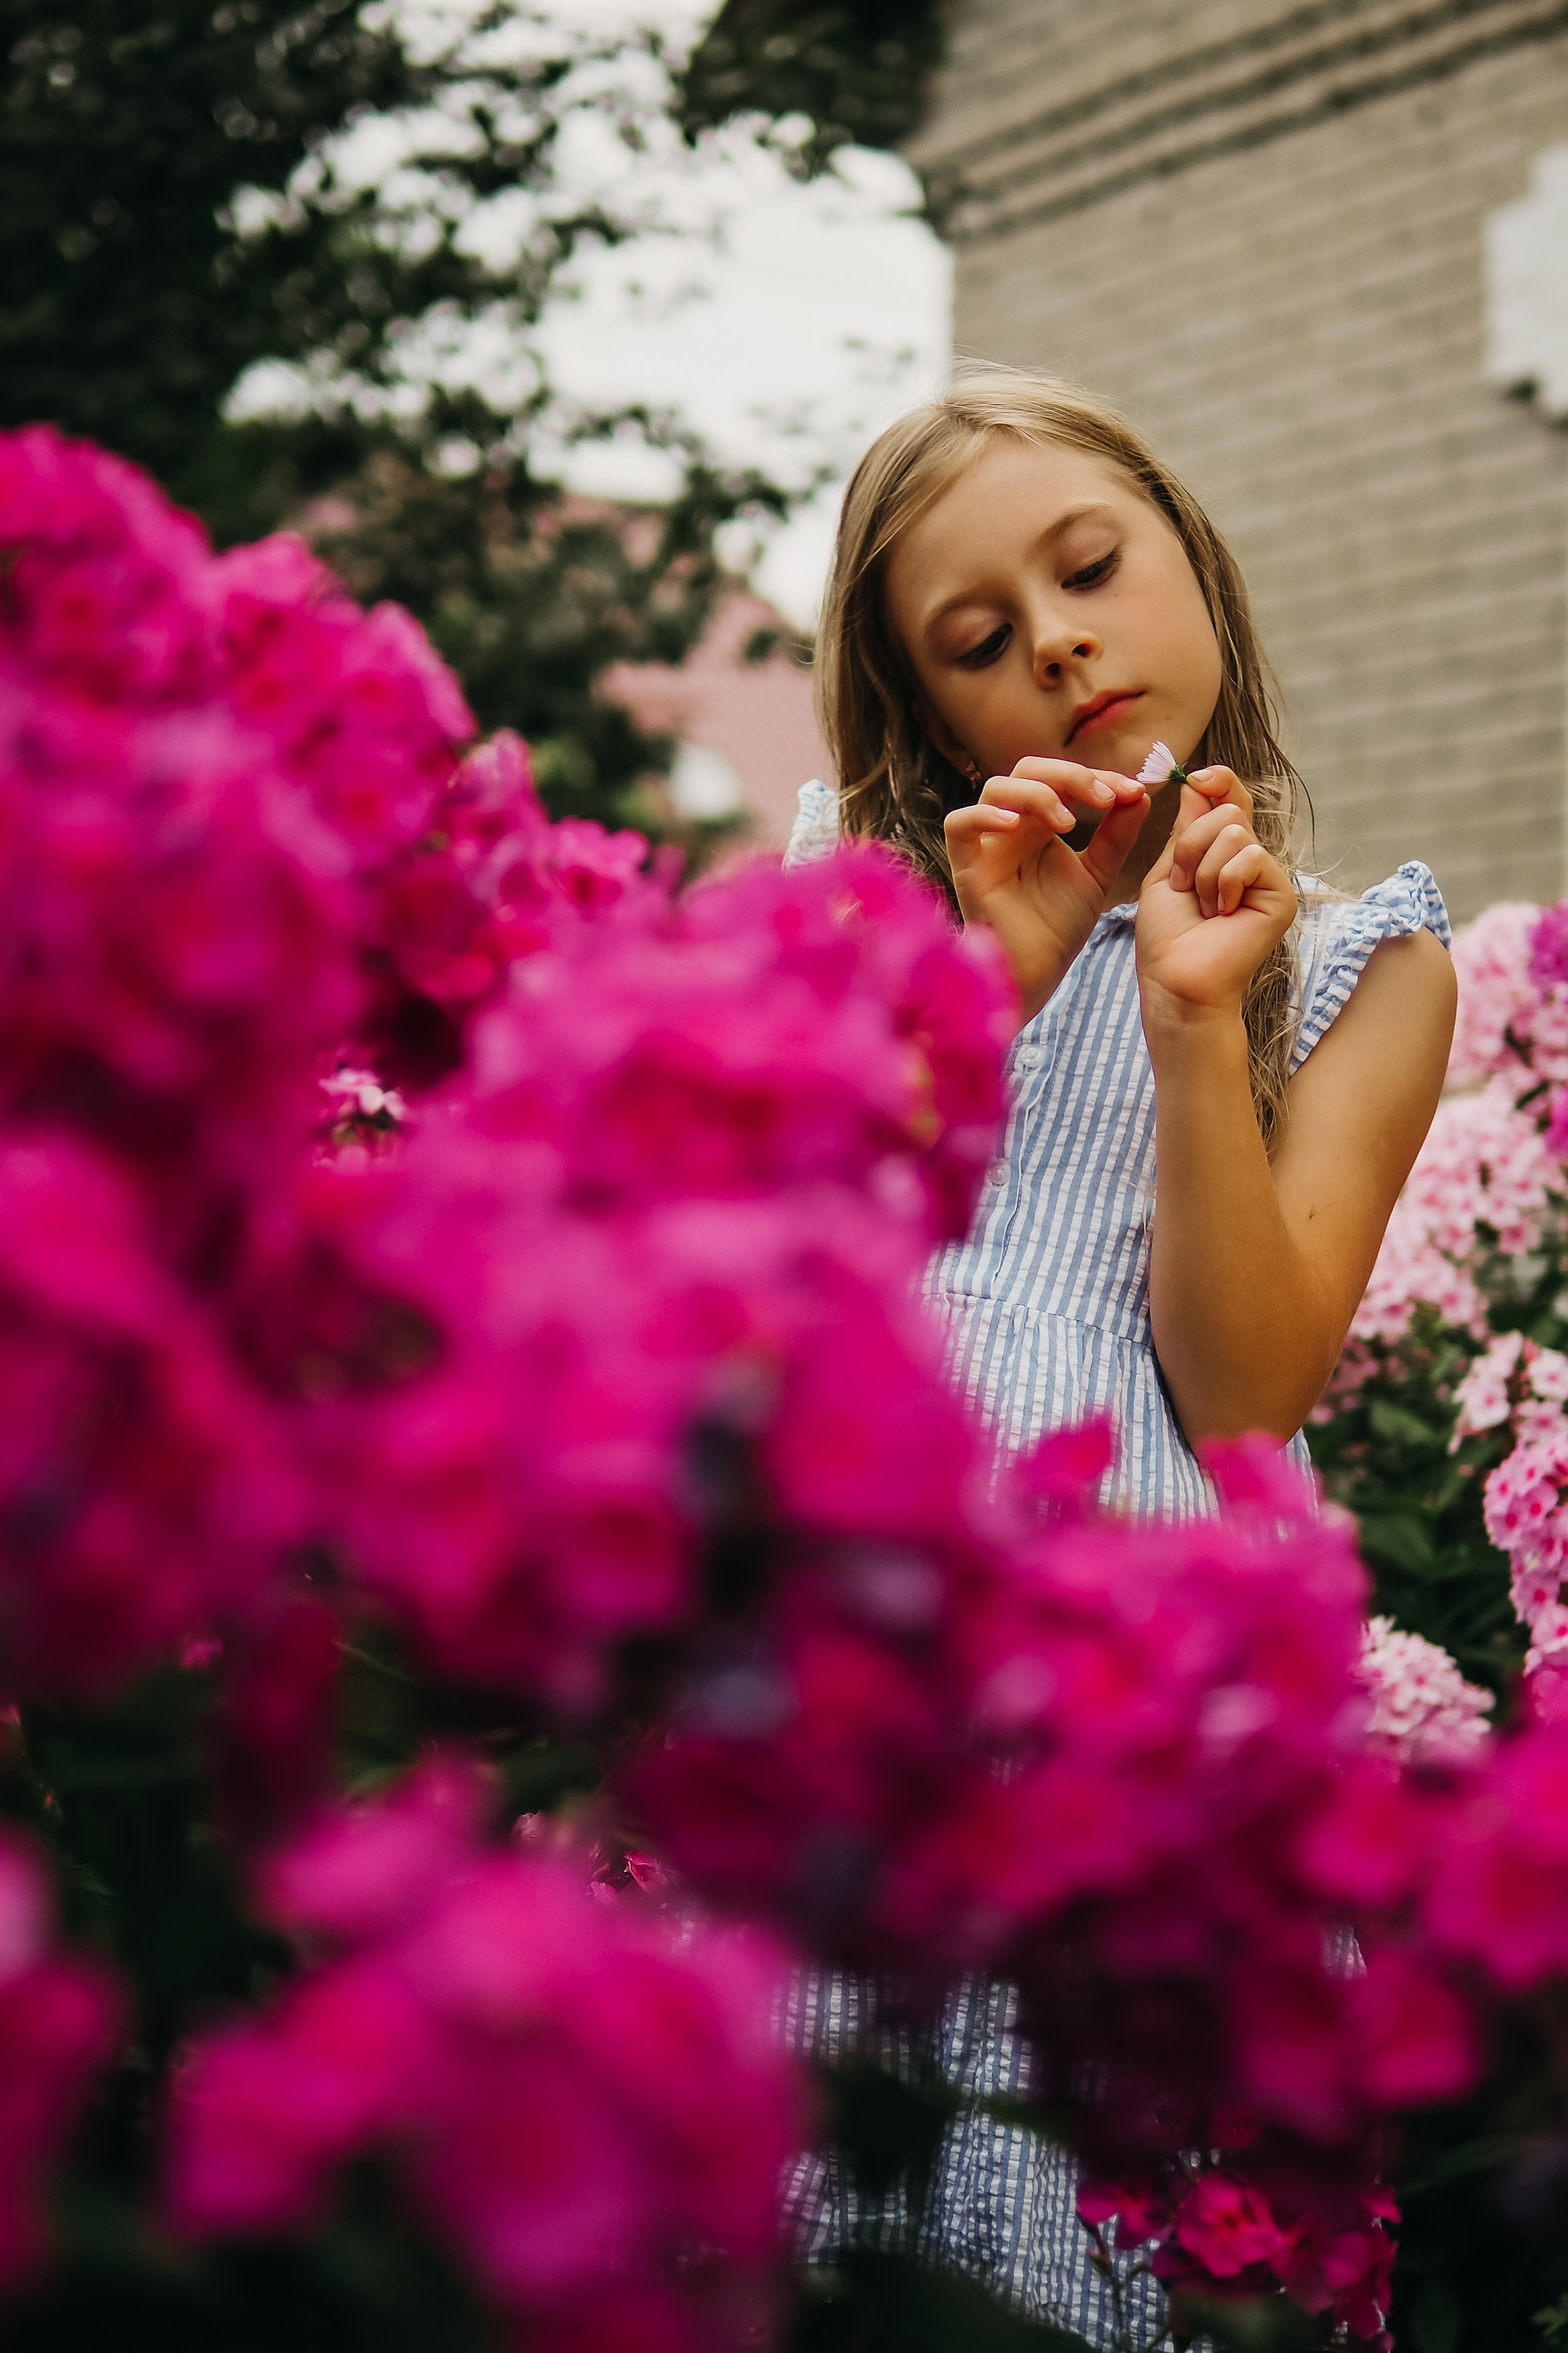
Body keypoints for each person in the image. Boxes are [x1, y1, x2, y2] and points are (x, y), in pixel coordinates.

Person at [780, 367, 1456, 2346]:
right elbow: (772, 1260)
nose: (1059, 639)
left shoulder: (1357, 967)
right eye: (980, 640)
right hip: (857, 1662)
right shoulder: (866, 917)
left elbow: (1242, 1390)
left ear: (1199, 572)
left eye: (1091, 568)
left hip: (1146, 1693)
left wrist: (1185, 1021)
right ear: (935, 718)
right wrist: (982, 982)